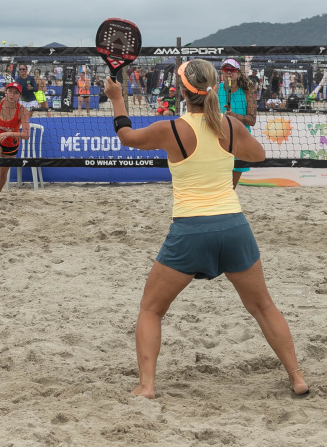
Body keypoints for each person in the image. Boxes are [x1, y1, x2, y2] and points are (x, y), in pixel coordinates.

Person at [104, 59, 307, 399]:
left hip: (191, 230)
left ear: (182, 92)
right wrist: (227, 155)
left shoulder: (170, 129)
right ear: (213, 87)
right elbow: (257, 155)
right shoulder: (229, 125)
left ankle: (147, 386)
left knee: (151, 310)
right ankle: (298, 377)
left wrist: (116, 98)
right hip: (233, 225)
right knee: (263, 307)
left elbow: (126, 137)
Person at [219, 59, 257, 189]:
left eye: (232, 70)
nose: (229, 73)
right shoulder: (215, 90)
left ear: (238, 73)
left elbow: (252, 120)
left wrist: (234, 116)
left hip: (239, 141)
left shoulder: (247, 92)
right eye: (226, 70)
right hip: (219, 140)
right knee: (219, 183)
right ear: (222, 73)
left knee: (230, 187)